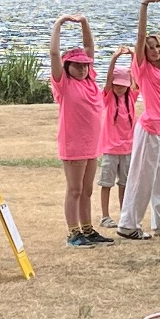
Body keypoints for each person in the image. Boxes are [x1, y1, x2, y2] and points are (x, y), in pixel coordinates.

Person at [117, 0, 160, 240]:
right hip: (149, 129)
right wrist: (144, 6)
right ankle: (128, 224)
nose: (155, 50)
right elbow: (140, 36)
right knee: (142, 178)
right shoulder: (142, 68)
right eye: (151, 48)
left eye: (157, 47)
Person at [50, 13, 108, 247]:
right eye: (77, 65)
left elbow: (89, 47)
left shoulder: (90, 80)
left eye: (86, 65)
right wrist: (59, 23)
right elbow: (54, 54)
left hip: (91, 144)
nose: (83, 68)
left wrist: (84, 23)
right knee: (74, 189)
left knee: (87, 190)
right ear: (67, 66)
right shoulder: (64, 83)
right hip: (73, 143)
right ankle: (73, 233)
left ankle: (87, 229)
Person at [97, 46, 137, 228]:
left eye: (123, 85)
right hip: (110, 149)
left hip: (128, 148)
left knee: (125, 184)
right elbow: (107, 80)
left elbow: (137, 75)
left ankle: (124, 215)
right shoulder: (108, 97)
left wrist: (133, 55)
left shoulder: (132, 97)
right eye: (117, 84)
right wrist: (114, 58)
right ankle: (105, 216)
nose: (120, 88)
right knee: (106, 183)